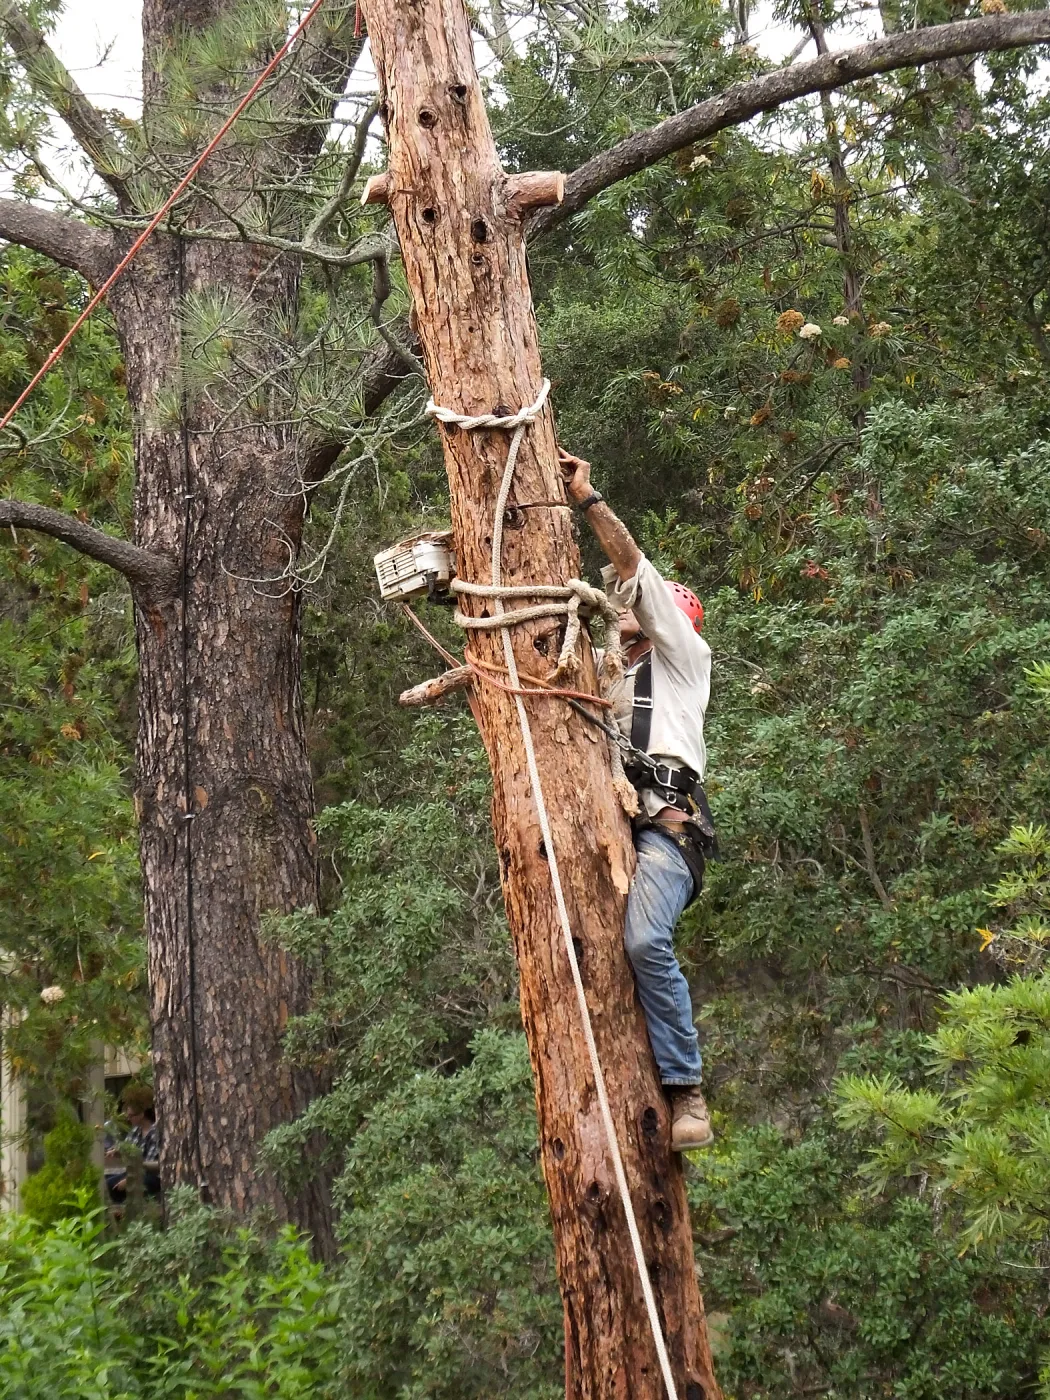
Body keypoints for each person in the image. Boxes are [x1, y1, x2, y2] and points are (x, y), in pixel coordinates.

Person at [559, 447, 717, 1151]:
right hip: (609, 819)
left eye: (636, 615)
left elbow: (630, 568)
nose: (624, 618)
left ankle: (686, 1090)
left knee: (647, 939)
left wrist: (589, 501)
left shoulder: (682, 661)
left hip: (667, 831)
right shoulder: (607, 676)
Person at [105, 1083, 161, 1203]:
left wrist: (131, 1179)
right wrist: (118, 1152)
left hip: (152, 1176)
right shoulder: (135, 1130)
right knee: (107, 1182)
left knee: (121, 1187)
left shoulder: (156, 1132)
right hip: (134, 1172)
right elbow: (128, 1149)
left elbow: (153, 1166)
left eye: (131, 1116)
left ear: (142, 1114)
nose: (128, 1119)